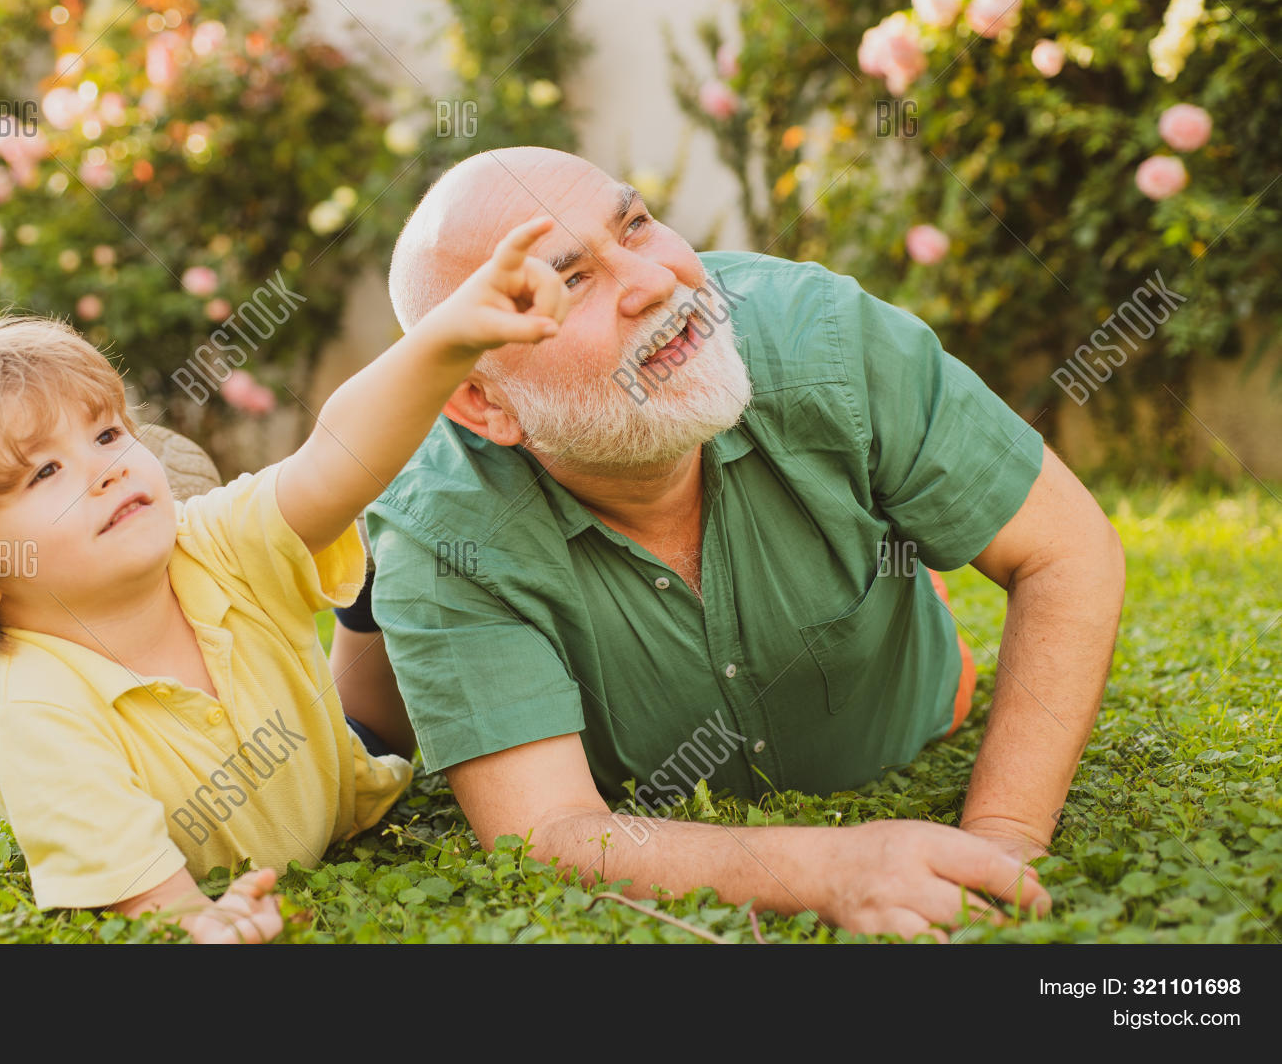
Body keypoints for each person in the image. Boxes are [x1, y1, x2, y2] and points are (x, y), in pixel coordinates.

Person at [361, 146, 1127, 941]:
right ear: (484, 403)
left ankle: (906, 592)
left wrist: (1002, 838)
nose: (656, 281)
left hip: (924, 699)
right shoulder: (440, 526)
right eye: (572, 279)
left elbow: (1068, 551)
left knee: (904, 584)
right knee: (371, 698)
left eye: (636, 224)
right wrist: (831, 869)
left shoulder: (822, 336)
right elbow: (547, 830)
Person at [0, 217, 571, 943]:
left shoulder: (205, 540)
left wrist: (447, 338)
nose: (108, 466)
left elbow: (335, 461)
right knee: (20, 748)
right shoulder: (40, 718)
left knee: (396, 539)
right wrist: (204, 919)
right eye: (46, 471)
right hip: (114, 744)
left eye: (108, 433)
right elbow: (151, 899)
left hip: (327, 748)